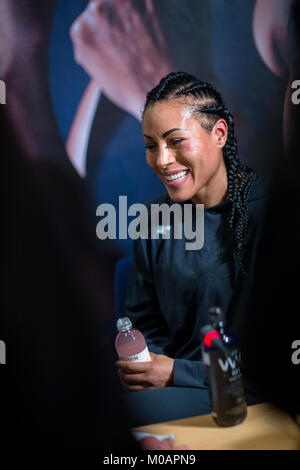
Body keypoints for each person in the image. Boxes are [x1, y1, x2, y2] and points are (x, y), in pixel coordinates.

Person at [116, 71, 270, 396]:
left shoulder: (269, 215)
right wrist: (149, 370)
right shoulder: (154, 220)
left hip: (251, 396)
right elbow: (146, 324)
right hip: (172, 392)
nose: (162, 159)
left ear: (219, 133)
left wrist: (177, 373)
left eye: (175, 141)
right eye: (150, 146)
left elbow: (275, 359)